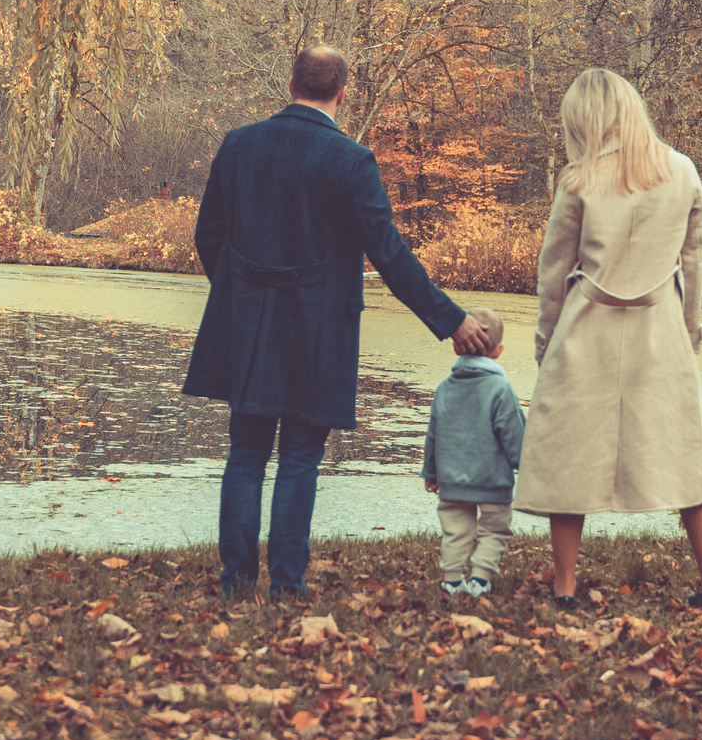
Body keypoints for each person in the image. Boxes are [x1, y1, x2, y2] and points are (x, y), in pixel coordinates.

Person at [183, 46, 495, 599]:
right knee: (301, 455)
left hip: (248, 329)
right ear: (342, 93)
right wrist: (450, 321)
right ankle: (286, 583)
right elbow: (389, 253)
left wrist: (243, 298)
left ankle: (235, 580)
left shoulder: (239, 145)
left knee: (246, 452)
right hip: (316, 334)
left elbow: (209, 237)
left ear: (291, 82)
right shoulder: (350, 160)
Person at [513, 67, 702, 612]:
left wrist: (545, 343)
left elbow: (554, 270)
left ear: (584, 120)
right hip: (662, 332)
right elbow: (695, 259)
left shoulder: (578, 181)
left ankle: (563, 586)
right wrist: (690, 328)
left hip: (585, 330)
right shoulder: (682, 172)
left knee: (569, 455)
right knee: (683, 452)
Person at [422, 306, 525, 599]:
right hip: (493, 481)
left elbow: (433, 433)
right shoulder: (500, 388)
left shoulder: (444, 388)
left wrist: (431, 472)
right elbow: (513, 433)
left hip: (453, 481)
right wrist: (526, 466)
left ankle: (453, 581)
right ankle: (480, 579)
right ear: (498, 351)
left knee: (455, 531)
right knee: (494, 531)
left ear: (457, 346)